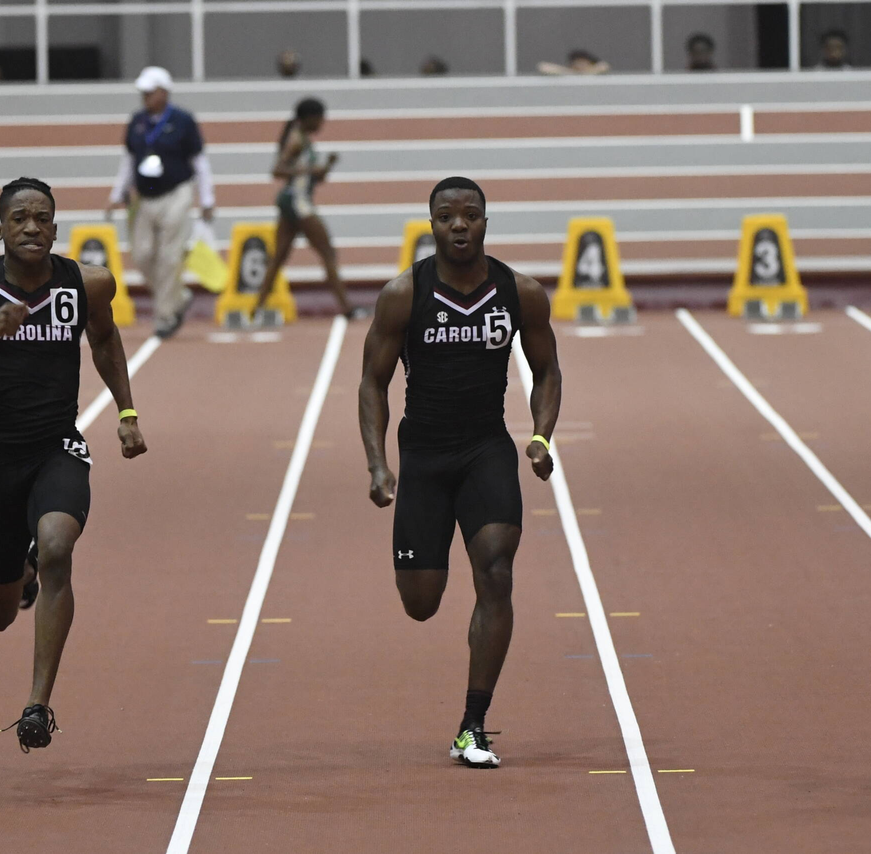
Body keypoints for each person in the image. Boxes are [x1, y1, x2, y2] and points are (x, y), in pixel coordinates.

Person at [0, 177, 147, 753]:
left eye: (42, 218)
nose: (31, 227)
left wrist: (127, 412)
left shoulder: (87, 283)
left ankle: (37, 706)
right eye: (19, 218)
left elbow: (105, 339)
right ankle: (21, 572)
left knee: (58, 547)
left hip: (56, 447)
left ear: (56, 228)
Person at [358, 177, 562, 768]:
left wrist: (541, 436)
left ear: (485, 223)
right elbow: (372, 382)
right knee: (420, 603)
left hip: (485, 449)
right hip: (424, 457)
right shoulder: (404, 294)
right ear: (432, 226)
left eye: (470, 215)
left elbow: (547, 370)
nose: (459, 225)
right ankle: (468, 710)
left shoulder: (520, 293)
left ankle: (473, 723)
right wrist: (378, 463)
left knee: (496, 571)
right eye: (447, 216)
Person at [106, 66, 215, 339]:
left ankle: (165, 316)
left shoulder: (183, 121)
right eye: (143, 91)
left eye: (150, 91)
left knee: (169, 257)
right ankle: (178, 297)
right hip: (144, 197)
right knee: (142, 255)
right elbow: (129, 160)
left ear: (164, 92)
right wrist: (116, 194)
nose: (144, 96)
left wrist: (207, 198)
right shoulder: (137, 122)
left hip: (177, 192)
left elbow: (199, 162)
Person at [252, 98, 356, 320]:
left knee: (279, 257)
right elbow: (278, 170)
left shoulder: (302, 139)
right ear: (309, 118)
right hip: (298, 203)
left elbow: (313, 177)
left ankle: (256, 309)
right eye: (320, 119)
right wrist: (309, 170)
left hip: (293, 201)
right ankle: (347, 308)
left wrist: (327, 165)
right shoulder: (296, 139)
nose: (322, 123)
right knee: (327, 251)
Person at [537, 49, 611, 76]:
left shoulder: (595, 75)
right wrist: (573, 73)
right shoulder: (567, 75)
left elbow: (604, 66)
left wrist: (585, 73)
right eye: (577, 63)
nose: (580, 66)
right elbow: (543, 67)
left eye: (583, 63)